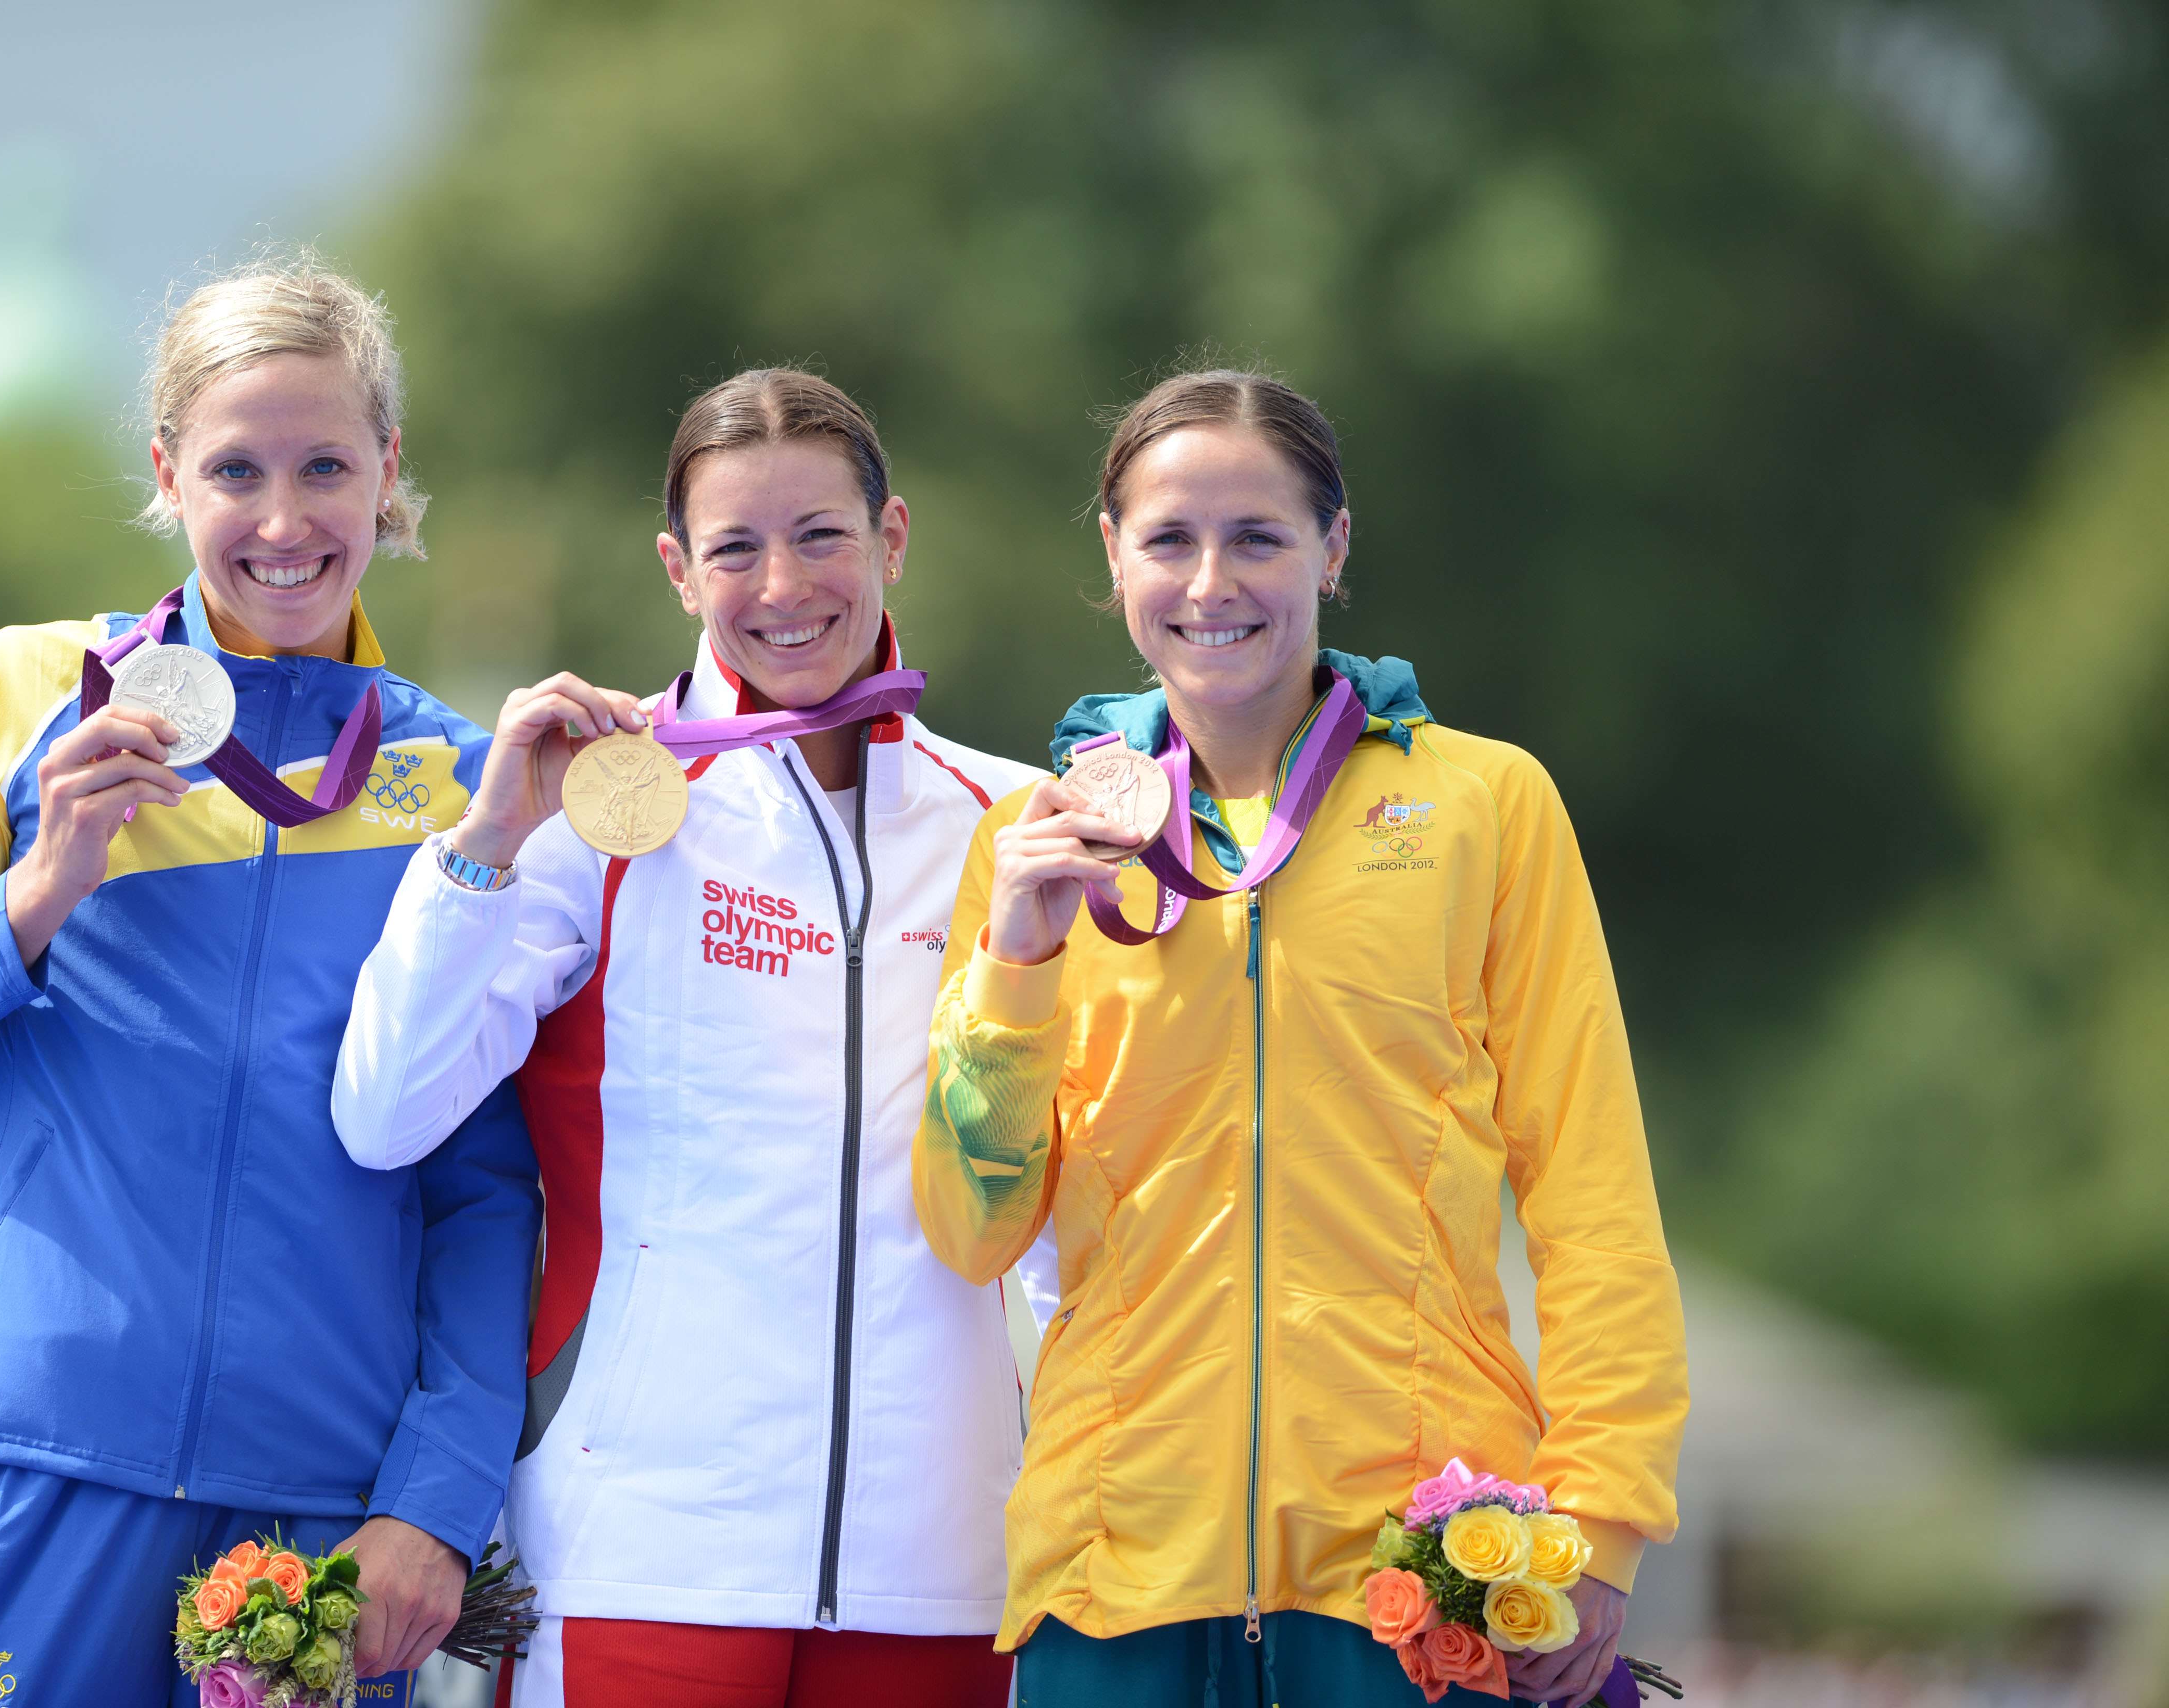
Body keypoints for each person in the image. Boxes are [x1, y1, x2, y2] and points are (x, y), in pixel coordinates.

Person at [0, 257, 540, 1707]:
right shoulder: (17, 695)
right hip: (45, 1457)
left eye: (327, 464)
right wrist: (36, 893)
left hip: (322, 1514)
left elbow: (488, 1187)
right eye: (236, 468)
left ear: (391, 471)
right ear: (166, 473)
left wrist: (435, 1503)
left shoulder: (465, 787)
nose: (283, 519)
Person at [911, 368, 1687, 1707]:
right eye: (1169, 538)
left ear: (1332, 546)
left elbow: (1591, 1191)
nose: (1212, 581)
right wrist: (1020, 959)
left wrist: (1603, 1513)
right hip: (1115, 1560)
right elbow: (973, 1227)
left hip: (1418, 1563)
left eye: (1258, 536)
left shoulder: (1486, 806)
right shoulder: (1035, 840)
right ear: (1113, 555)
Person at [333, 369, 1046, 1708]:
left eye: (823, 534)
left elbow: (1056, 1197)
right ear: (677, 569)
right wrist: (488, 839)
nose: (783, 584)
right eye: (735, 547)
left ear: (892, 538)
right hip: (644, 1547)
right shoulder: (600, 809)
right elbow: (385, 1108)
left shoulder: (1002, 823)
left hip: (942, 1553)